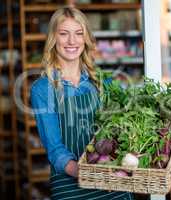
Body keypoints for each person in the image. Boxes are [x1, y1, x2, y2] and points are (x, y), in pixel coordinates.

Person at [31, 7, 134, 200]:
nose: (72, 41)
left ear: (86, 38)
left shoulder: (104, 82)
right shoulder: (42, 89)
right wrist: (85, 172)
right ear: (53, 38)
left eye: (79, 34)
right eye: (64, 34)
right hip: (70, 186)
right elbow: (54, 149)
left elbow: (125, 124)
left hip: (112, 184)